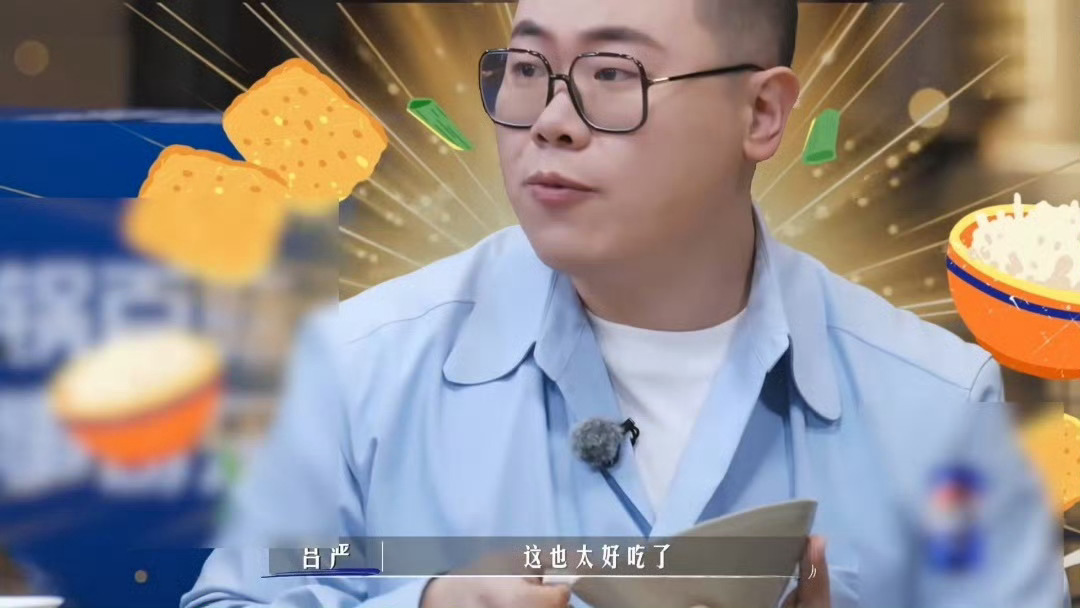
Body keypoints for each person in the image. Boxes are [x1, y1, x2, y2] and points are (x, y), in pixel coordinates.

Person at [182, 1, 1064, 606]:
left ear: (762, 113)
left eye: (612, 74)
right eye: (526, 68)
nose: (550, 120)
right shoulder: (356, 370)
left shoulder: (935, 406)